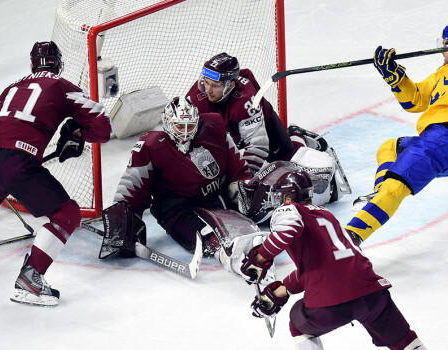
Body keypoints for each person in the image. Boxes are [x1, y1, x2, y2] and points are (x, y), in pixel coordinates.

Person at [0, 41, 111, 306]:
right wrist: (78, 132)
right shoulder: (64, 87)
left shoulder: (13, 86)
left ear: (32, 64)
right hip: (16, 161)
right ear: (59, 64)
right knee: (67, 214)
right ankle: (30, 280)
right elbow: (102, 127)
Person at [239, 169, 427, 350]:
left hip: (330, 305)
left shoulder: (289, 209)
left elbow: (288, 231)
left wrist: (259, 257)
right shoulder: (327, 215)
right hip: (373, 295)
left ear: (287, 198)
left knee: (298, 325)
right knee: (405, 341)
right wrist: (283, 289)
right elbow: (324, 266)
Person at [108, 96, 273, 277]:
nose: (185, 132)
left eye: (190, 126)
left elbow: (236, 165)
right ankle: (226, 257)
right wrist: (122, 219)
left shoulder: (213, 129)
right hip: (176, 208)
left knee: (258, 206)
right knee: (204, 234)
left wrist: (239, 185)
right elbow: (132, 184)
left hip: (215, 198)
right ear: (168, 123)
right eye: (180, 126)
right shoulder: (150, 146)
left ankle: (263, 241)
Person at [186, 52, 349, 205]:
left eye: (215, 85)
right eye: (206, 82)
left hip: (262, 122)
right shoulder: (197, 96)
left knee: (286, 157)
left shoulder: (246, 101)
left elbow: (258, 146)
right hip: (231, 125)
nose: (207, 89)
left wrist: (243, 180)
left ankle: (297, 135)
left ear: (230, 85)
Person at [345, 25, 448, 245]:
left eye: (447, 45)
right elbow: (416, 100)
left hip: (442, 138)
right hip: (436, 139)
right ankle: (381, 194)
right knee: (390, 147)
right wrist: (395, 77)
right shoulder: (443, 73)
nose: (443, 51)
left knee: (397, 183)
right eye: (444, 45)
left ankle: (348, 240)